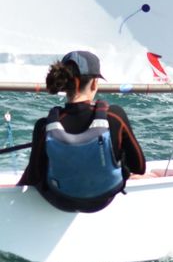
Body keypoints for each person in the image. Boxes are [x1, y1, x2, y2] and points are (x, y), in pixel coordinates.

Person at [18, 51, 146, 213]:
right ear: (94, 84)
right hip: (103, 198)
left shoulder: (45, 125)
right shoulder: (114, 116)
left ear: (64, 84)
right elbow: (139, 167)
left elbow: (34, 177)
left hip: (60, 199)